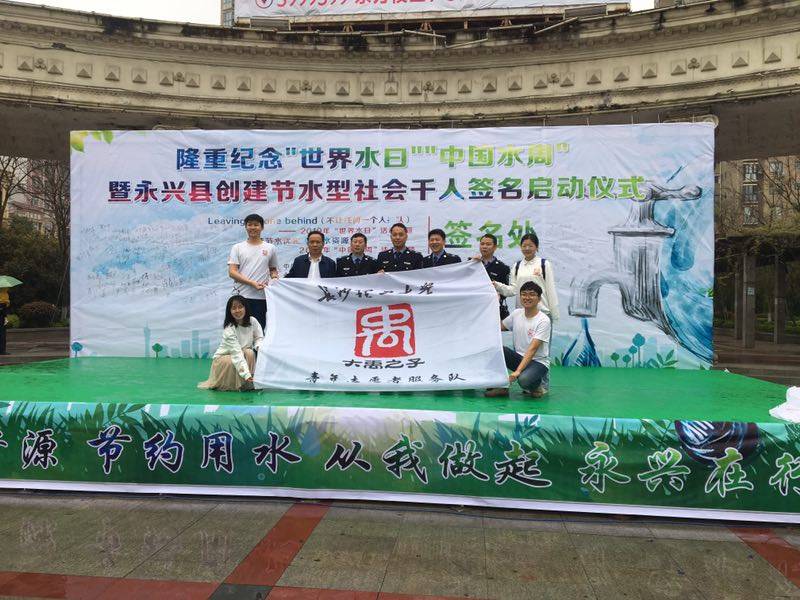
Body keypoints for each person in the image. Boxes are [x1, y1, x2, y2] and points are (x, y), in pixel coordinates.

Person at [493, 232, 559, 393]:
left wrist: (553, 313)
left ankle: (542, 386)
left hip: (542, 312)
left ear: (536, 247)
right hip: (522, 314)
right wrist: (496, 285)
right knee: (522, 350)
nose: (527, 248)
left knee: (540, 352)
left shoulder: (544, 264)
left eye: (530, 245)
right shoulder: (517, 266)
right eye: (524, 245)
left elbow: (550, 289)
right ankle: (527, 381)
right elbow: (513, 290)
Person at [485, 281, 550, 398]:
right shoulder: (516, 314)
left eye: (532, 294)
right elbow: (499, 327)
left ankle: (537, 386)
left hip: (538, 362)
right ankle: (502, 387)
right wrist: (494, 304)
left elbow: (532, 349)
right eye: (524, 294)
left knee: (524, 380)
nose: (527, 297)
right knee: (498, 350)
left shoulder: (543, 320)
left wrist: (518, 371)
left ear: (539, 298)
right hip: (519, 358)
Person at [198, 295, 263, 392]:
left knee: (250, 352)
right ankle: (237, 382)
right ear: (230, 311)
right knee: (232, 361)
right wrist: (246, 374)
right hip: (225, 357)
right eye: (234, 308)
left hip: (242, 353)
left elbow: (259, 337)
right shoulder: (229, 329)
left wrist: (259, 347)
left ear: (245, 308)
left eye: (240, 307)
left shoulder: (252, 321)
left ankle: (247, 383)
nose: (237, 310)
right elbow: (236, 353)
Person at [228, 214, 278, 330]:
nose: (253, 227)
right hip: (241, 296)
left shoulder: (270, 248)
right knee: (239, 330)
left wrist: (274, 278)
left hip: (261, 297)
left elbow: (273, 269)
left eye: (256, 225)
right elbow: (232, 272)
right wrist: (251, 283)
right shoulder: (237, 247)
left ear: (262, 227)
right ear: (245, 227)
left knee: (258, 330)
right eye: (250, 225)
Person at [475, 233, 511, 320]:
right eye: (482, 244)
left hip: (493, 310)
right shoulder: (472, 263)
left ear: (495, 247)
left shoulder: (503, 268)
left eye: (488, 244)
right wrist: (472, 262)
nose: (484, 246)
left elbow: (505, 292)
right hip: (474, 308)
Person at [0, 286, 9, 355]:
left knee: (2, 334)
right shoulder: (5, 294)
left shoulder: (6, 294)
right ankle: (2, 350)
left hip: (3, 316)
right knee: (2, 334)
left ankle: (2, 350)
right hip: (2, 317)